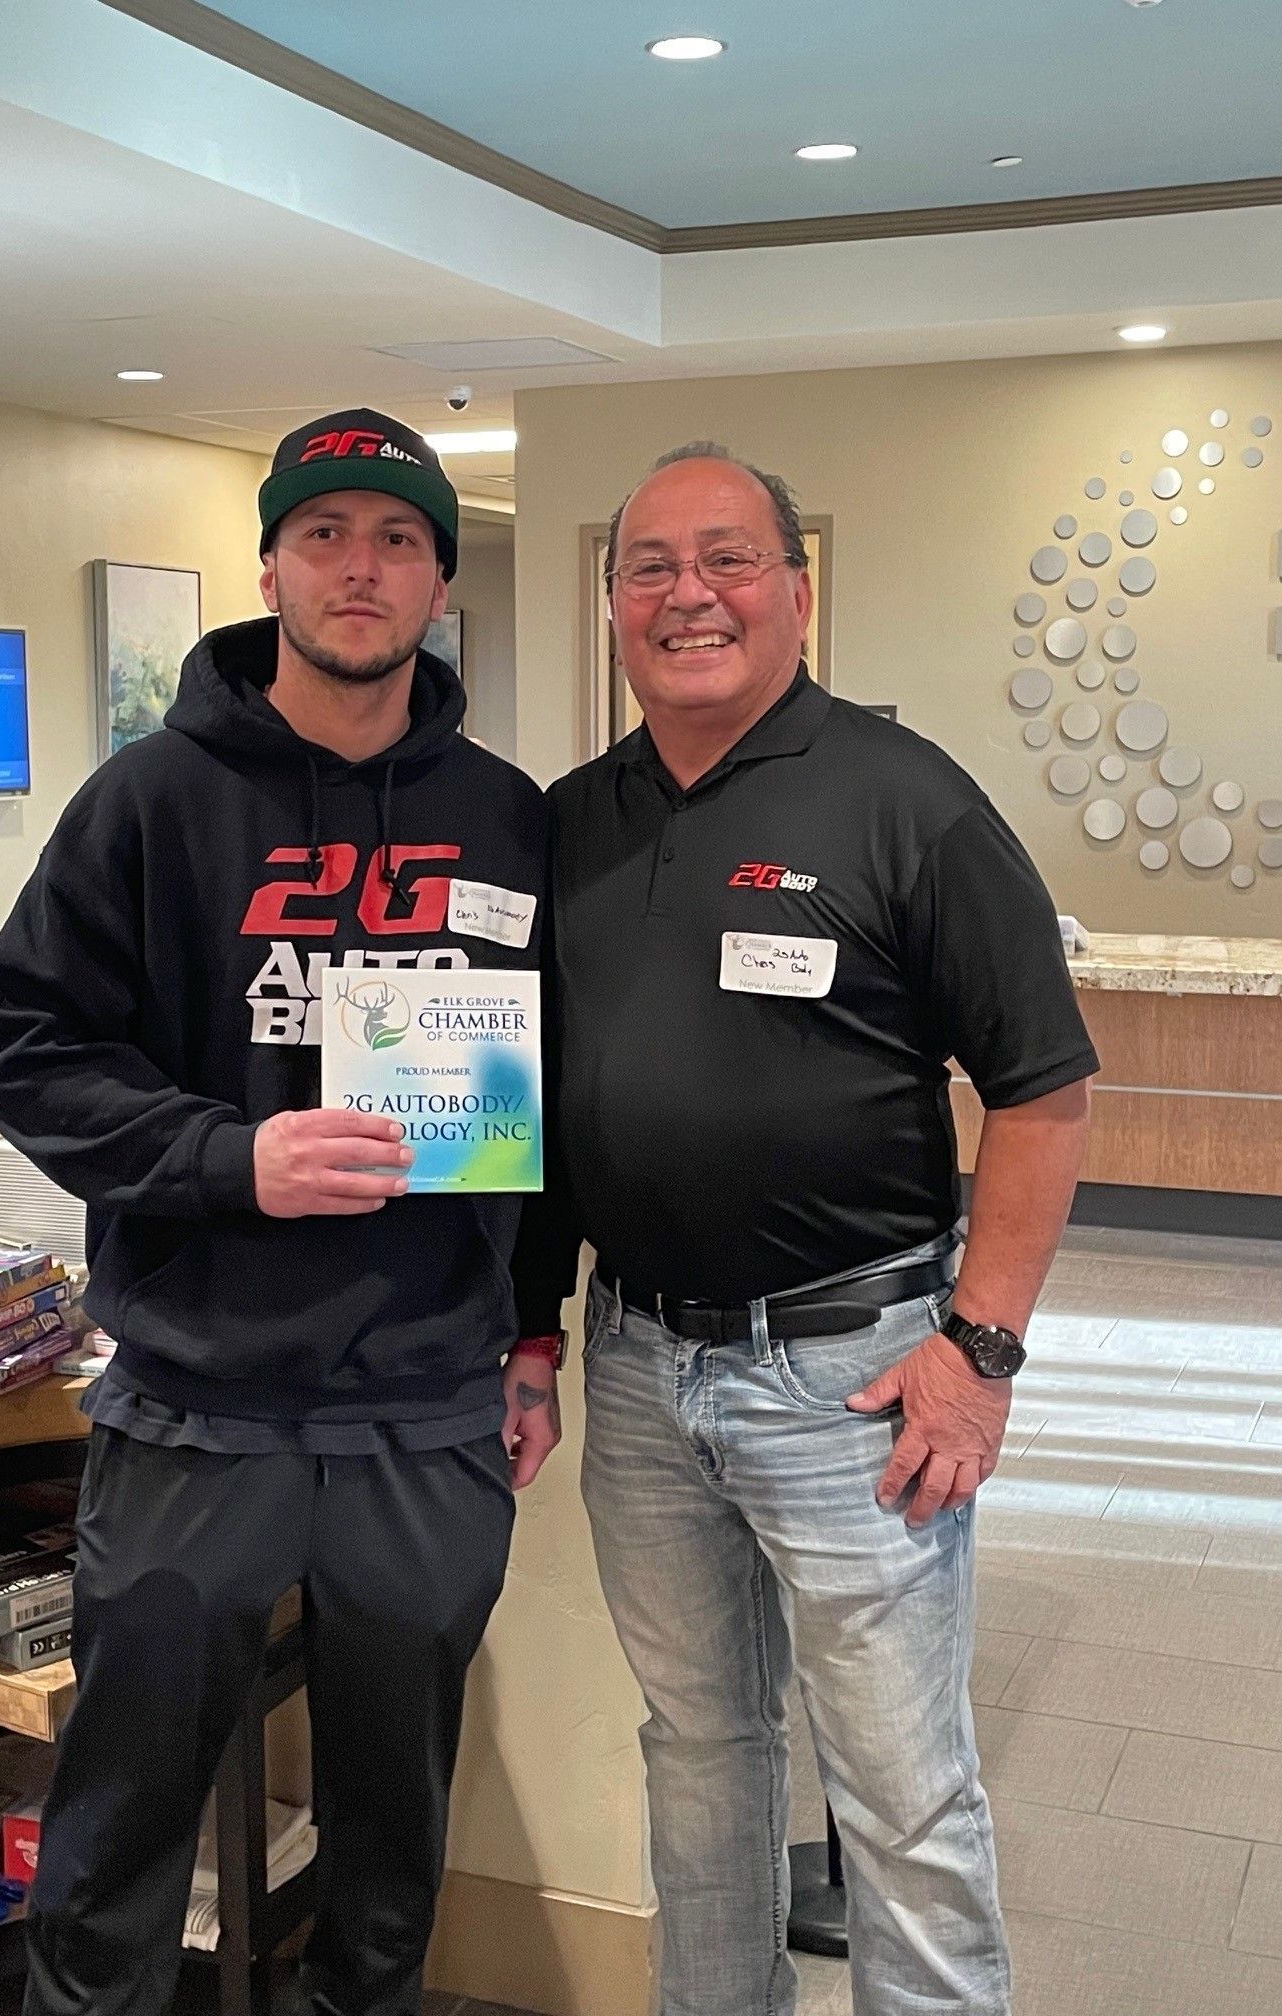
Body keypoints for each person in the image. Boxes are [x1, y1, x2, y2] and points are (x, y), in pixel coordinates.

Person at [0, 408, 565, 2016]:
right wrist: (236, 1159)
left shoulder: (512, 817)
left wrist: (532, 1336)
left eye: (394, 539)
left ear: (441, 578)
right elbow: (25, 1048)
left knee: (393, 1832)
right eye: (324, 535)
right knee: (121, 1823)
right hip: (195, 1402)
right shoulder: (148, 802)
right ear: (271, 566)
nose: (358, 569)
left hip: (428, 1406)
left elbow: (553, 1112)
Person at [530, 443, 1098, 2016]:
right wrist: (531, 1328)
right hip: (639, 1367)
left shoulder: (904, 799)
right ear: (613, 605)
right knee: (700, 1756)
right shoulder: (573, 823)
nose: (687, 594)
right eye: (649, 566)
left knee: (900, 1792)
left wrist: (978, 1349)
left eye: (725, 559)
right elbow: (538, 1115)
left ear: (794, 586)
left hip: (855, 1375)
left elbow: (1046, 1092)